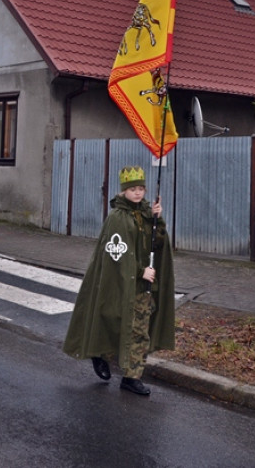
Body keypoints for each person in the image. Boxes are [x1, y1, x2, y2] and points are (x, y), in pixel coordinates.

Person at [62, 165, 176, 396]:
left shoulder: (146, 213)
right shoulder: (117, 218)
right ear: (124, 191)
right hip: (123, 284)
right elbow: (117, 254)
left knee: (139, 331)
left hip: (143, 287)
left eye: (141, 188)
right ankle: (101, 353)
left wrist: (158, 220)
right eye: (133, 189)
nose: (138, 193)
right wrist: (139, 270)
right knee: (114, 324)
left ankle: (131, 377)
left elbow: (158, 244)